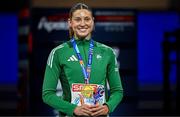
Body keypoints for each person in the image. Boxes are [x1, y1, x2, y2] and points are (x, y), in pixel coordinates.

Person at [42, 2, 123, 117]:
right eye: (78, 19)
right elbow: (47, 94)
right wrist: (73, 109)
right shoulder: (58, 53)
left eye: (87, 19)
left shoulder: (107, 52)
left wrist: (107, 107)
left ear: (93, 21)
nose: (83, 23)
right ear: (70, 22)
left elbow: (117, 91)